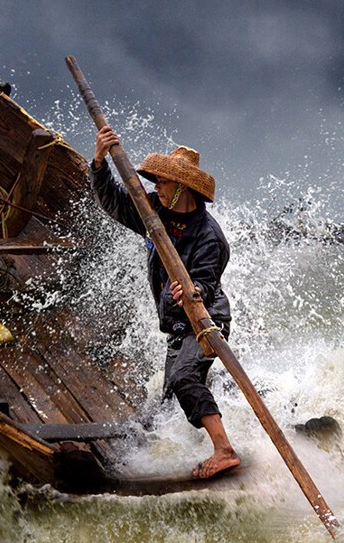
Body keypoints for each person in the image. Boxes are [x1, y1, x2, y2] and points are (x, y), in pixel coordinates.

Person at [90, 126, 241, 479]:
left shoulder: (209, 237)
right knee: (171, 393)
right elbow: (113, 201)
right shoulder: (153, 211)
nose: (156, 187)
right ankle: (164, 444)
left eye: (164, 183)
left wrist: (190, 292)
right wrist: (99, 161)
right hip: (177, 322)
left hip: (205, 321)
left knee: (186, 377)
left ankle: (224, 450)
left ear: (183, 189)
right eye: (156, 181)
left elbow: (204, 283)